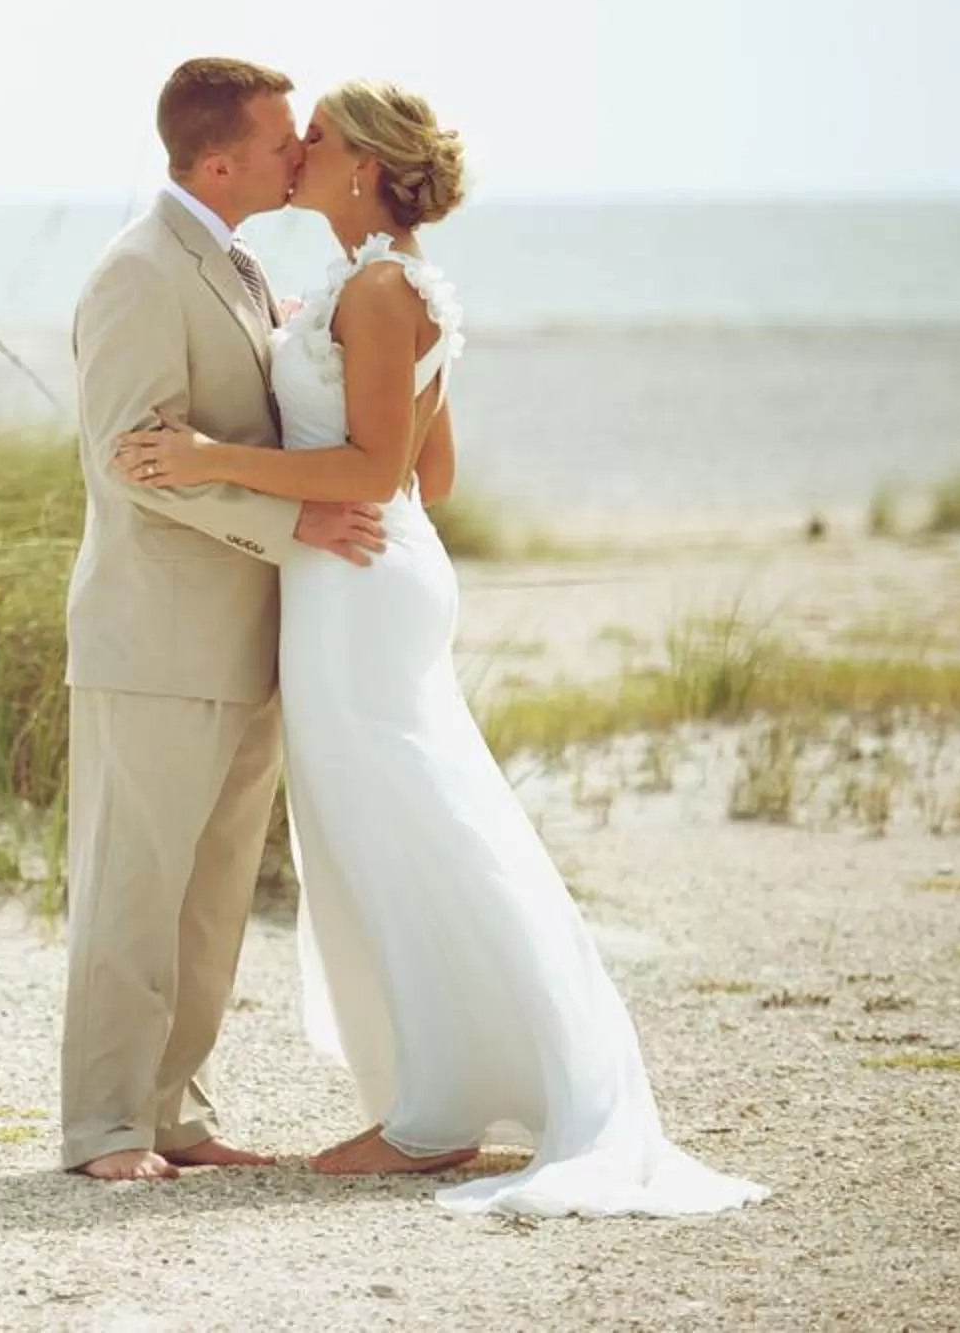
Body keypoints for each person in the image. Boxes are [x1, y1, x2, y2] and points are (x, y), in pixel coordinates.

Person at [113, 79, 767, 1219]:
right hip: (368, 577)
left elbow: (375, 475)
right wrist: (308, 460)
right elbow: (434, 473)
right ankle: (443, 1093)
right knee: (403, 825)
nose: (298, 148)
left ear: (364, 164)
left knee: (405, 826)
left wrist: (218, 455)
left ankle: (433, 1118)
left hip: (360, 588)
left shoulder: (376, 287)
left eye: (317, 137)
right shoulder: (396, 283)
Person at [57, 57, 387, 1183]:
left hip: (247, 639)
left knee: (207, 901)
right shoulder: (140, 273)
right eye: (285, 138)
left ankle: (174, 1114)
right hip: (154, 639)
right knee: (132, 888)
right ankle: (105, 1127)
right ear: (219, 159)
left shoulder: (235, 263)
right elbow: (138, 463)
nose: (301, 154)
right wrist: (299, 531)